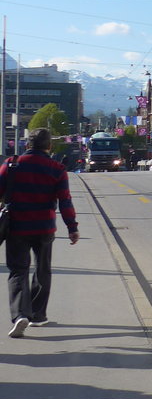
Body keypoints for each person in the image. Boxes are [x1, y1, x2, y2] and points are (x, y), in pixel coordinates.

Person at [2, 128, 80, 338]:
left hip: (16, 226)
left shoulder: (11, 164)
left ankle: (20, 315)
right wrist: (72, 228)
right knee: (42, 269)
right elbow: (65, 201)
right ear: (49, 146)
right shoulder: (56, 168)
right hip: (44, 227)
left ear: (27, 143)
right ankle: (37, 315)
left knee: (18, 270)